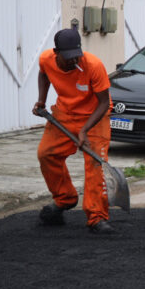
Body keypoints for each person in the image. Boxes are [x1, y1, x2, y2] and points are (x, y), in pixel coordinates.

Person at [33, 28, 114, 234]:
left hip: (95, 119)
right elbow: (44, 75)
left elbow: (104, 102)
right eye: (68, 57)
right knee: (46, 154)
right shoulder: (46, 59)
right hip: (65, 114)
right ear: (56, 52)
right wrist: (41, 100)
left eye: (76, 56)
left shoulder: (93, 65)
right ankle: (65, 199)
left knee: (94, 164)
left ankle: (97, 217)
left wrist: (85, 130)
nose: (73, 61)